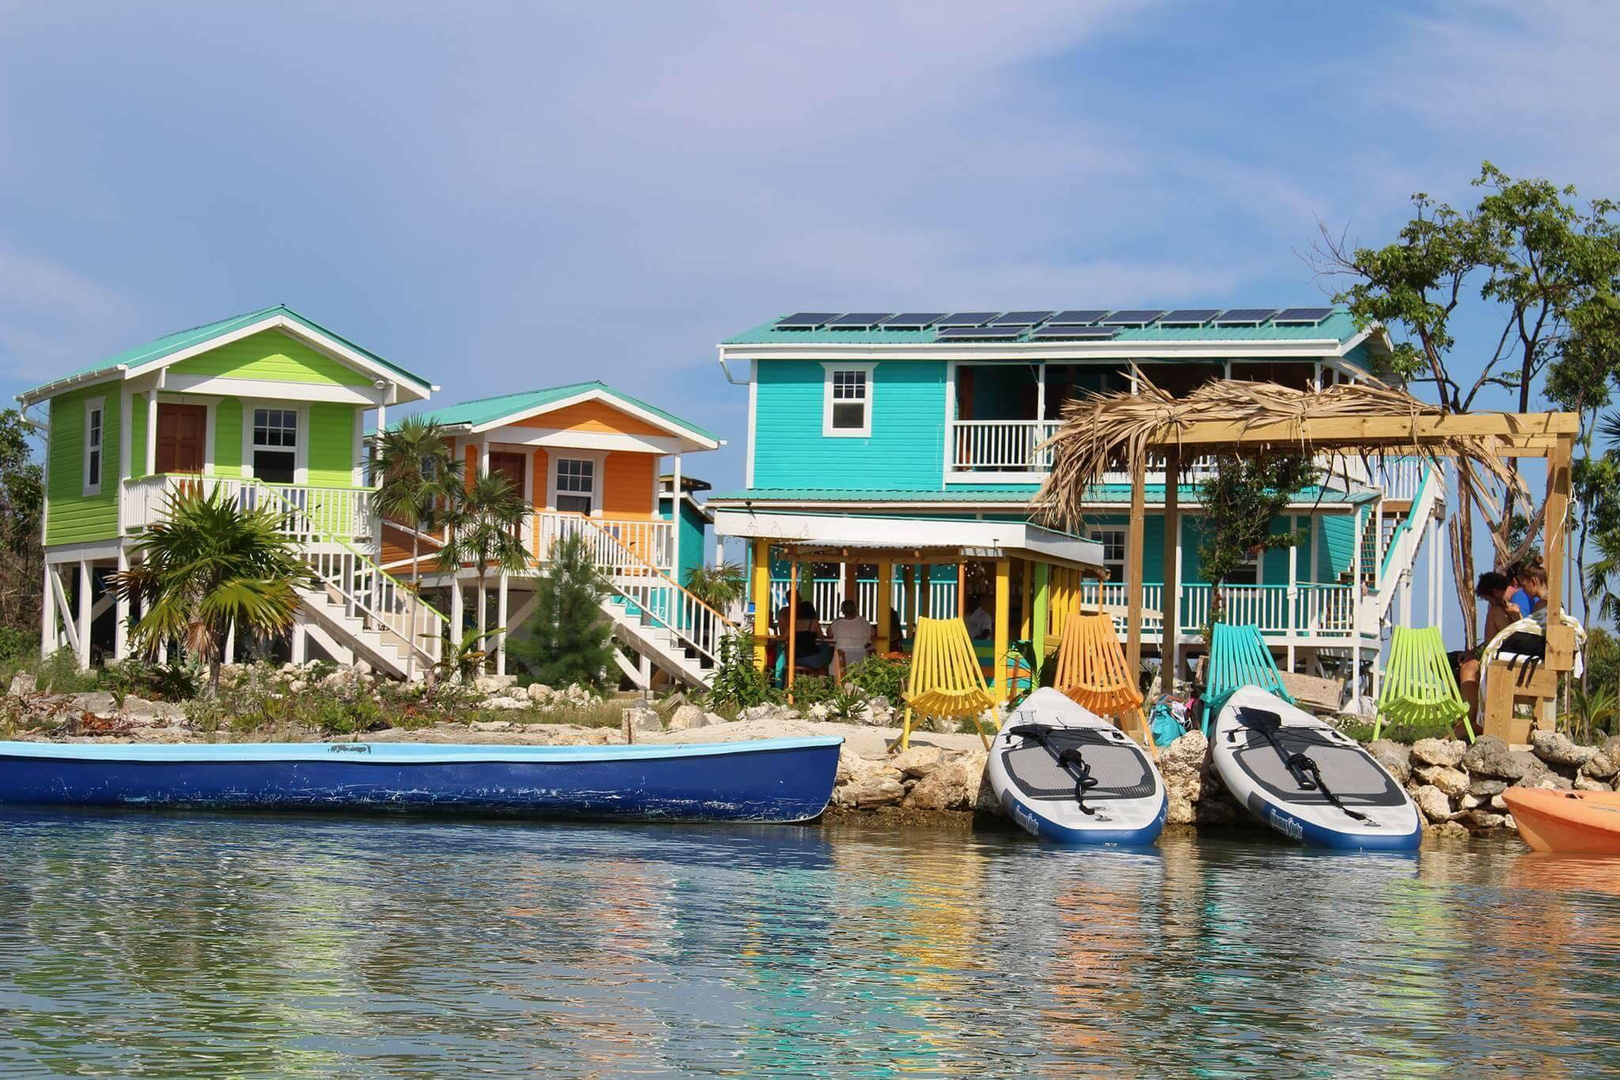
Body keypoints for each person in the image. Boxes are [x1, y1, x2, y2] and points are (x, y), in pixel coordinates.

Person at [1455, 571, 1520, 729]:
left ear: (1495, 593)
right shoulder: (1506, 605)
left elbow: (1499, 640)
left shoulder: (1509, 606)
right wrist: (1473, 651)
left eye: (1488, 599)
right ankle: (1468, 720)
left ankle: (1466, 722)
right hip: (1505, 653)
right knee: (1465, 665)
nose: (1489, 603)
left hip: (1510, 656)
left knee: (1468, 668)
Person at [827, 600, 874, 677]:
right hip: (859, 656)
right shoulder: (863, 621)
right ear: (855, 609)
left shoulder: (838, 623)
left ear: (842, 610)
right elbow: (873, 633)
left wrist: (835, 621)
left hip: (841, 656)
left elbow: (829, 634)